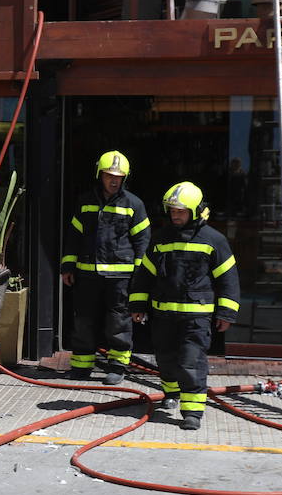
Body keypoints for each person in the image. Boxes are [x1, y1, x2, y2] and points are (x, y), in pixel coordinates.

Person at [128, 181, 240, 430]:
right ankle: (171, 393)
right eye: (172, 211)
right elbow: (145, 275)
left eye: (181, 211)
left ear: (196, 211)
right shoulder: (160, 239)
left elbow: (228, 279)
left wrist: (226, 313)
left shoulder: (214, 240)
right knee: (165, 359)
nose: (175, 216)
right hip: (163, 315)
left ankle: (192, 411)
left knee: (191, 362)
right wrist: (137, 305)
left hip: (196, 317)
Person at [61, 150, 150, 384]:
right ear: (99, 174)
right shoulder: (85, 202)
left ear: (125, 178)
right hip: (87, 273)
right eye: (109, 175)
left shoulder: (134, 205)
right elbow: (74, 236)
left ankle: (118, 367)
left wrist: (139, 277)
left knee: (118, 322)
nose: (113, 181)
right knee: (83, 320)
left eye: (118, 177)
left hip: (120, 277)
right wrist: (68, 265)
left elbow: (143, 243)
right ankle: (81, 366)